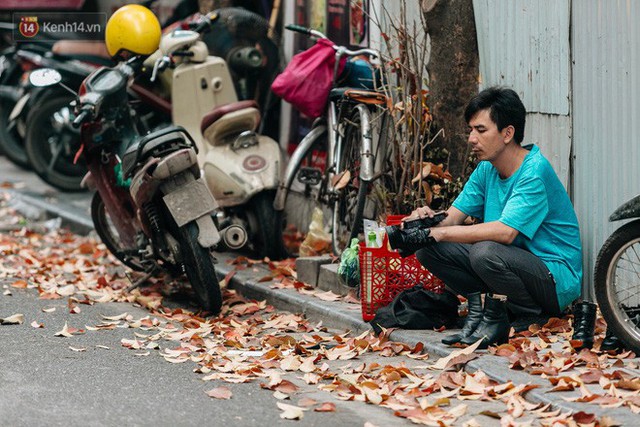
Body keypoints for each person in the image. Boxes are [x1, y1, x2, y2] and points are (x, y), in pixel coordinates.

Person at [388, 86, 583, 349]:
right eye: (470, 130)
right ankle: (484, 311)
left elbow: (506, 233)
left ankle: (529, 313)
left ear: (507, 133)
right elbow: (452, 219)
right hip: (511, 264)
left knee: (484, 252)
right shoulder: (486, 170)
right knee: (428, 249)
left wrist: (440, 233)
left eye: (480, 130)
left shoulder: (534, 171)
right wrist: (425, 222)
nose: (471, 138)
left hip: (553, 278)